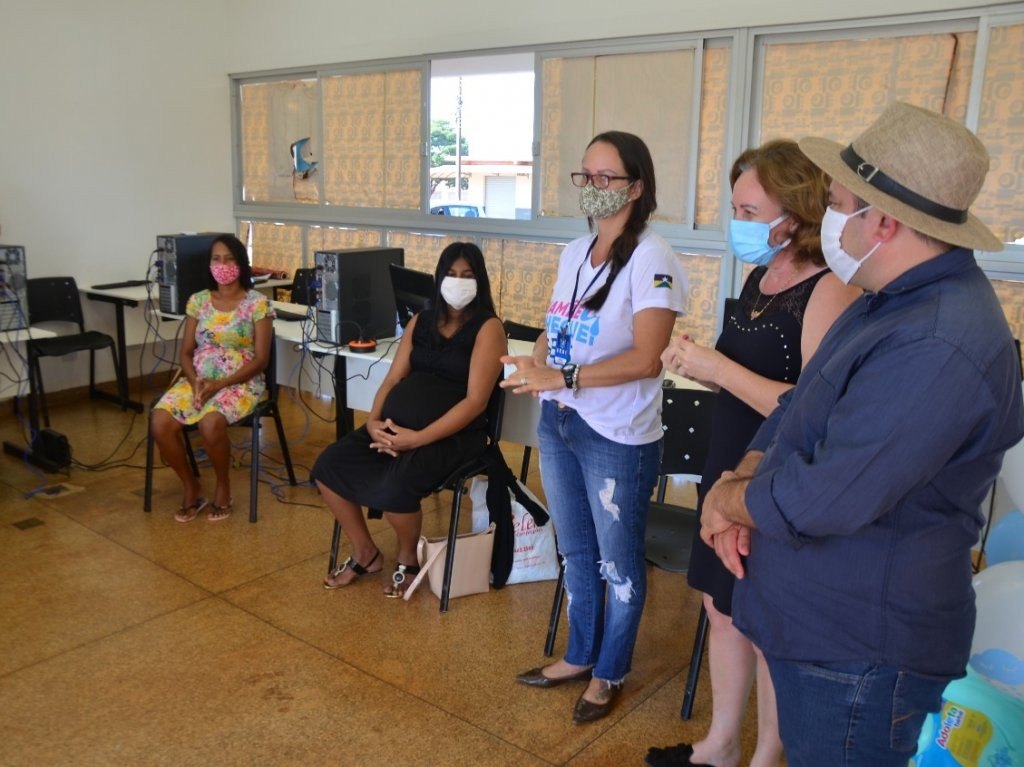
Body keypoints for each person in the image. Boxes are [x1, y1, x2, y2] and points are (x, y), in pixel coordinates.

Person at [698, 101, 1024, 767]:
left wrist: (729, 502)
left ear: (884, 221)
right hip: (818, 623)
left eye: (840, 202)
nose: (830, 219)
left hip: (860, 651)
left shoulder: (939, 341)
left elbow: (826, 495)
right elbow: (799, 408)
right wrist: (743, 478)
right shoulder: (888, 300)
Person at [645, 140, 861, 767]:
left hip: (774, 475)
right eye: (734, 207)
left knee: (766, 623)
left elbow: (813, 407)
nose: (736, 222)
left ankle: (768, 754)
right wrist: (697, 364)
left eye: (748, 209)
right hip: (726, 463)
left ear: (792, 212)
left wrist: (717, 366)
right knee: (722, 607)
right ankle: (719, 744)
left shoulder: (830, 290)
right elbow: (736, 371)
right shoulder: (759, 276)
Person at [503, 131, 687, 724]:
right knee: (576, 550)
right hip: (560, 422)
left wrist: (565, 378)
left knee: (618, 563)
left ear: (636, 187)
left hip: (616, 436)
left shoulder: (653, 258)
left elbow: (647, 359)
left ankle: (610, 672)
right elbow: (555, 328)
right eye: (586, 176)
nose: (593, 188)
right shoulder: (575, 252)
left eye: (606, 177)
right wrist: (538, 364)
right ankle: (579, 655)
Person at [312, 242, 505, 596]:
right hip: (392, 428)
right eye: (451, 274)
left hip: (453, 437)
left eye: (467, 276)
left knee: (394, 488)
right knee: (328, 467)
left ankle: (407, 558)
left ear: (480, 282)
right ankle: (365, 552)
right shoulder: (421, 321)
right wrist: (372, 421)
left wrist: (418, 438)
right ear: (439, 278)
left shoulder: (488, 329)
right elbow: (393, 379)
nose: (458, 282)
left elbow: (476, 402)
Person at [151, 233, 275, 523]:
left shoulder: (257, 303)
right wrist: (195, 380)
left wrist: (220, 384)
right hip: (199, 380)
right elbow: (185, 353)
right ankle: (191, 485)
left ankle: (223, 486)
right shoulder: (198, 301)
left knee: (210, 422)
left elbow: (261, 360)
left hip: (241, 382)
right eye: (216, 259)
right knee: (160, 421)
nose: (223, 265)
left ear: (241, 264)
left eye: (229, 259)